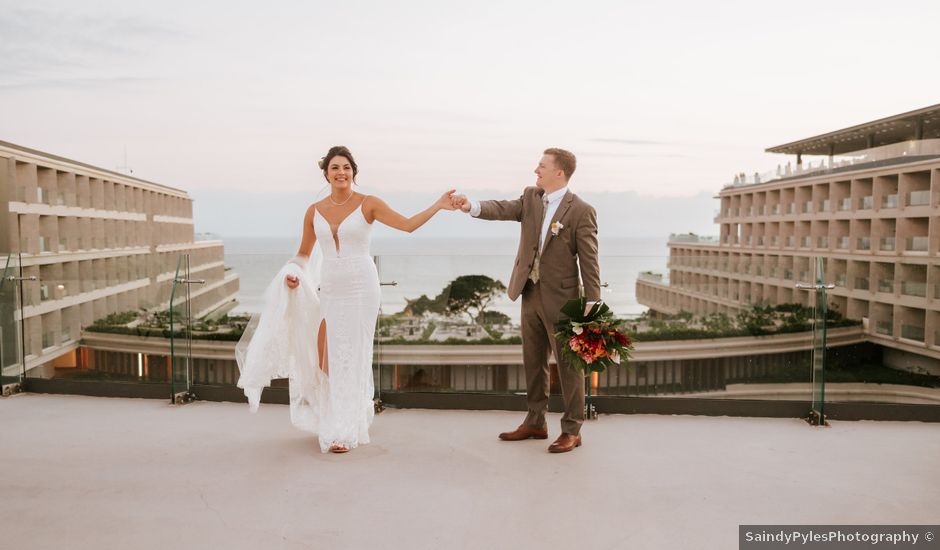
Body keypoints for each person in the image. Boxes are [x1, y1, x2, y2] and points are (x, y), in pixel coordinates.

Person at [237, 145, 456, 454]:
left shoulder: (369, 204)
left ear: (354, 172)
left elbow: (407, 225)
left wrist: (437, 205)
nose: (341, 172)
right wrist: (294, 274)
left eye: (346, 168)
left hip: (361, 289)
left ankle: (344, 430)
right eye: (335, 168)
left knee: (351, 356)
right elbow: (303, 254)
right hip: (330, 288)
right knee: (326, 358)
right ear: (326, 173)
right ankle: (336, 415)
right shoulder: (314, 211)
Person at [452, 148, 601, 453]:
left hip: (563, 300)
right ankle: (536, 421)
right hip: (529, 293)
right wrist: (471, 206)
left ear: (559, 172)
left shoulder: (581, 210)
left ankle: (572, 429)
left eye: (542, 166)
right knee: (533, 361)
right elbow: (503, 208)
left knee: (569, 367)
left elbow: (589, 258)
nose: (536, 170)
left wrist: (593, 301)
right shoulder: (531, 198)